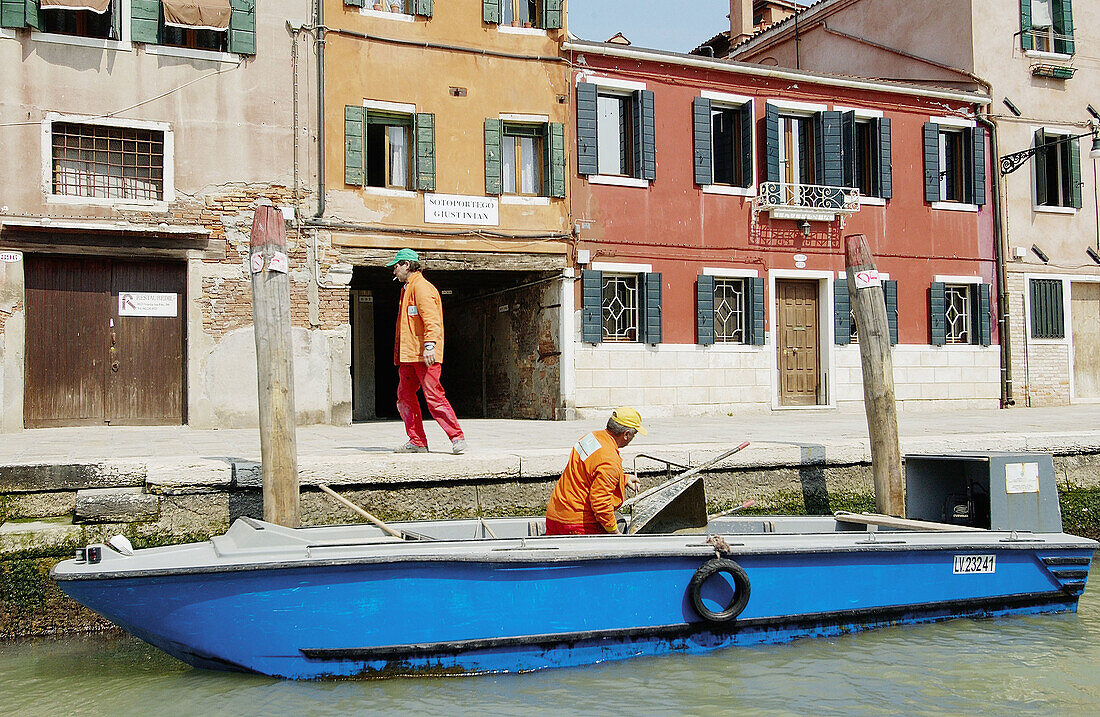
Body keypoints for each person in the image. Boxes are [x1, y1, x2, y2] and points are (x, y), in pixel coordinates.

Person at [387, 248, 466, 454]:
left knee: (434, 396)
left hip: (424, 355)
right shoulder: (407, 288)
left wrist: (430, 344)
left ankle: (457, 437)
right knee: (404, 396)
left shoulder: (421, 288)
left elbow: (432, 320)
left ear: (406, 264)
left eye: (396, 266)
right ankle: (417, 441)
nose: (394, 271)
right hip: (409, 356)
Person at [544, 407, 645, 535]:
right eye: (634, 434)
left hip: (555, 516)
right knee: (617, 524)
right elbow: (601, 504)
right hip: (576, 524)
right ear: (626, 435)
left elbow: (588, 473)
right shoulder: (610, 460)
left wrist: (623, 479)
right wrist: (615, 533)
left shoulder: (591, 438)